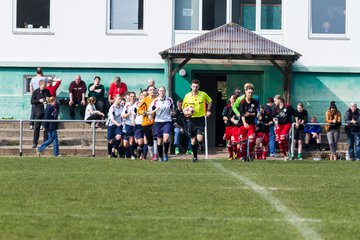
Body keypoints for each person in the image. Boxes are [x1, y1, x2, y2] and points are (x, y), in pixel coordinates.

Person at [182, 79, 212, 163]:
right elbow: (184, 107)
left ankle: (201, 143)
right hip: (191, 120)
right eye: (193, 86)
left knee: (199, 138)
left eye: (196, 86)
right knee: (193, 139)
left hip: (200, 118)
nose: (195, 88)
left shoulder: (203, 94)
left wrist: (208, 110)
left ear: (199, 87)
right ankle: (195, 157)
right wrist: (186, 113)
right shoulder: (187, 96)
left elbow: (210, 101)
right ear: (191, 86)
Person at [148, 86, 174, 162]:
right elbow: (150, 111)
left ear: (165, 91)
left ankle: (165, 153)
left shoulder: (169, 100)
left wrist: (172, 112)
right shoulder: (155, 101)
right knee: (159, 141)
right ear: (158, 92)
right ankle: (160, 156)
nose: (162, 92)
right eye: (160, 91)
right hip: (158, 122)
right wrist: (151, 117)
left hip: (167, 121)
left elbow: (172, 108)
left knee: (166, 138)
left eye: (163, 91)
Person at [237, 85, 259, 161]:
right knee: (243, 142)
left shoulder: (255, 102)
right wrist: (244, 123)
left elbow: (256, 113)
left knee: (252, 139)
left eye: (251, 93)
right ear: (245, 92)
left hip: (251, 124)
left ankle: (250, 155)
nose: (250, 94)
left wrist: (250, 114)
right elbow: (242, 114)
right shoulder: (242, 102)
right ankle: (244, 157)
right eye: (249, 92)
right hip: (243, 124)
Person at [273, 95, 296, 161]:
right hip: (279, 126)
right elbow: (274, 117)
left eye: (275, 101)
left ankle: (287, 152)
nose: (274, 102)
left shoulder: (288, 106)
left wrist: (297, 122)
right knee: (280, 142)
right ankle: (285, 155)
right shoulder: (275, 108)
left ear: (279, 100)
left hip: (286, 124)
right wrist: (274, 120)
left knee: (282, 138)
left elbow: (295, 114)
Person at [137, 85, 157, 160]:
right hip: (146, 122)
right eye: (151, 90)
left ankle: (155, 155)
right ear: (148, 91)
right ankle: (152, 156)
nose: (152, 91)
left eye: (153, 90)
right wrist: (145, 112)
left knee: (155, 137)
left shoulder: (157, 99)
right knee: (149, 140)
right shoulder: (145, 100)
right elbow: (139, 110)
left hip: (155, 122)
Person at [30, 80, 50, 148]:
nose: (45, 86)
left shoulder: (47, 91)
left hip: (46, 111)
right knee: (37, 128)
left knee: (46, 128)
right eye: (44, 85)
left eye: (45, 85)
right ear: (40, 84)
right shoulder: (35, 92)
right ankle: (35, 143)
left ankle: (45, 143)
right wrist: (39, 101)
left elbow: (49, 100)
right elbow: (32, 101)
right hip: (38, 111)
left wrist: (48, 100)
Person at [222, 94, 239, 160]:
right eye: (232, 99)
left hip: (235, 126)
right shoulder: (227, 107)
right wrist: (228, 119)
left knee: (234, 140)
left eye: (234, 100)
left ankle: (235, 153)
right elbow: (224, 116)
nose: (233, 100)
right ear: (230, 99)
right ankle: (231, 155)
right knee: (229, 141)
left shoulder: (237, 107)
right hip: (229, 126)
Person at [121, 92, 137, 159]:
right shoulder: (127, 106)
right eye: (131, 96)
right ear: (129, 98)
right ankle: (131, 154)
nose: (132, 98)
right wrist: (128, 114)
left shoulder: (137, 104)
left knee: (136, 140)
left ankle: (136, 153)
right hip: (128, 125)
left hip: (137, 124)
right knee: (128, 142)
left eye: (133, 96)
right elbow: (122, 116)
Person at [134, 90, 148, 159]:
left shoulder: (149, 103)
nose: (144, 96)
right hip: (138, 124)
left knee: (146, 140)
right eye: (143, 95)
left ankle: (144, 155)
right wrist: (133, 121)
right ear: (140, 96)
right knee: (140, 142)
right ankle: (140, 150)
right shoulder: (137, 104)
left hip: (146, 124)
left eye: (145, 95)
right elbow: (134, 113)